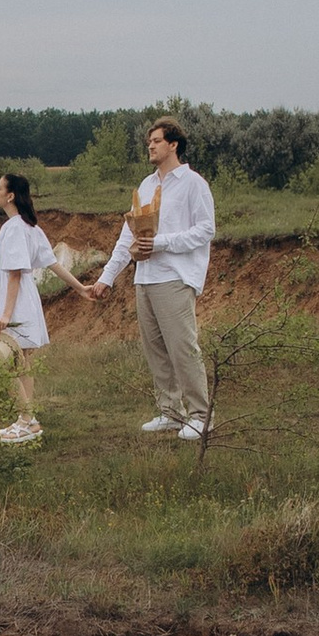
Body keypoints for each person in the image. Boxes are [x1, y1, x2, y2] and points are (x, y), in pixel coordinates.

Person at [91, 118, 215, 438]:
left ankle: (201, 415)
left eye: (157, 140)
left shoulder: (193, 184)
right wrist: (107, 278)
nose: (150, 145)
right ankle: (171, 412)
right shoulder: (146, 186)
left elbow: (205, 230)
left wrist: (161, 243)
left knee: (182, 347)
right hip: (144, 277)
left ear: (173, 145)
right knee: (156, 349)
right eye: (150, 141)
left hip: (174, 276)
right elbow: (125, 238)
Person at [0, 169, 54, 443]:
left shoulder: (15, 228)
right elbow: (54, 263)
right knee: (23, 362)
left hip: (15, 303)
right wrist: (81, 288)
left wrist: (5, 314)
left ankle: (25, 419)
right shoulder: (30, 227)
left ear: (10, 195)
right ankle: (29, 420)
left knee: (4, 360)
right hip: (26, 299)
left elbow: (14, 273)